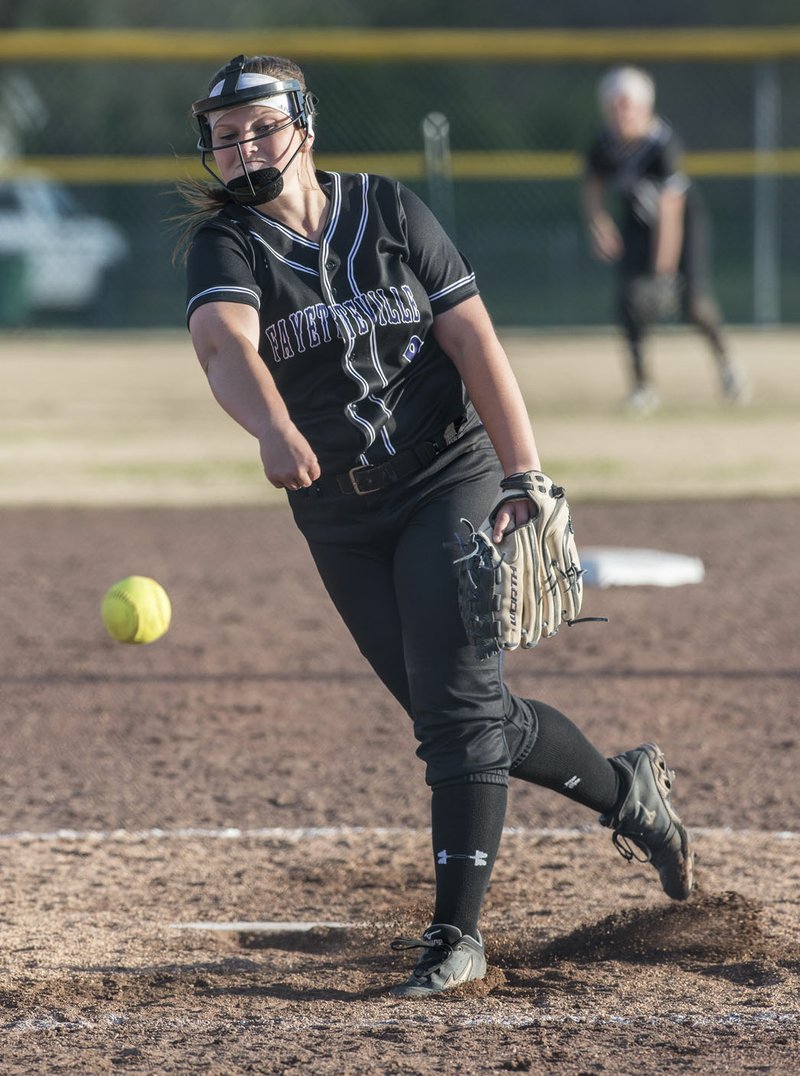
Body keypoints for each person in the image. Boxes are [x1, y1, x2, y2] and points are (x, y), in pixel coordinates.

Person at [180, 54, 695, 998]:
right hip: (337, 513)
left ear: (302, 121)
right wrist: (275, 426)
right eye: (224, 134)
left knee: (458, 723)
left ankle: (454, 940)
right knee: (460, 716)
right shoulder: (229, 244)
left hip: (444, 477)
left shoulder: (388, 210)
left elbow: (472, 339)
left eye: (259, 125)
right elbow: (224, 346)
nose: (242, 146)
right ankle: (632, 795)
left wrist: (524, 470)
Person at [582, 65, 748, 414]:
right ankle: (643, 388)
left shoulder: (662, 144)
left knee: (694, 306)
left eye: (627, 105)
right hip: (638, 225)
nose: (620, 112)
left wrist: (664, 273)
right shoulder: (604, 141)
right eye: (614, 105)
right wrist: (600, 224)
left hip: (684, 226)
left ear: (644, 107)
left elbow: (671, 213)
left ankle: (728, 366)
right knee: (629, 301)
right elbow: (593, 186)